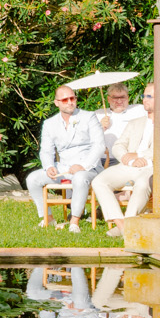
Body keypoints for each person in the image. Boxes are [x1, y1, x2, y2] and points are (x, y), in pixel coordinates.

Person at [90, 84, 160, 225]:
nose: (145, 100)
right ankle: (121, 225)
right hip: (129, 166)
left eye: (149, 96)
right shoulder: (135, 123)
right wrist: (131, 161)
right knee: (99, 181)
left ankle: (130, 222)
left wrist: (140, 155)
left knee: (143, 183)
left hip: (155, 167)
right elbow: (118, 146)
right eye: (144, 96)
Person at [27, 85, 103, 232]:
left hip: (89, 167)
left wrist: (83, 165)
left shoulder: (89, 117)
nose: (70, 102)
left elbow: (99, 146)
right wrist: (49, 166)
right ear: (57, 103)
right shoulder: (49, 124)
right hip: (63, 167)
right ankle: (48, 218)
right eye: (65, 99)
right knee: (32, 179)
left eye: (72, 98)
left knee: (80, 178)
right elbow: (46, 150)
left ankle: (74, 221)